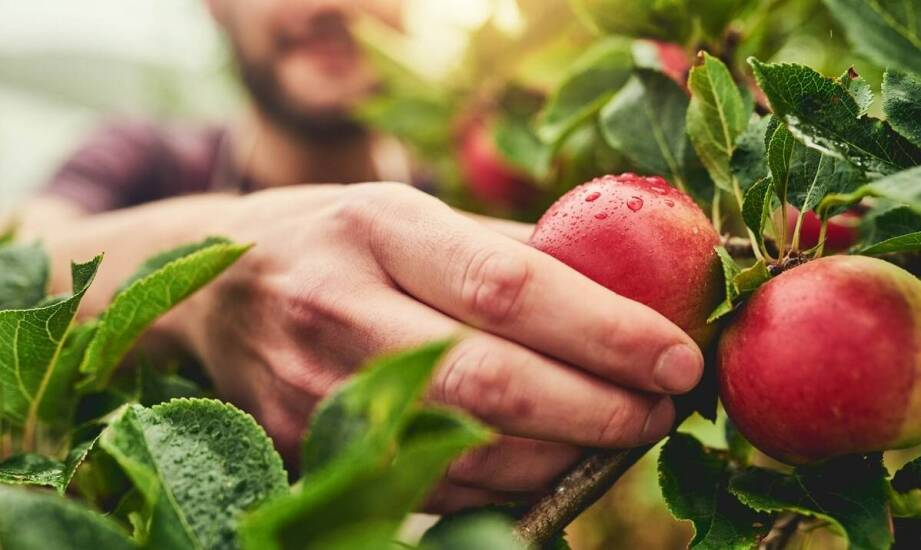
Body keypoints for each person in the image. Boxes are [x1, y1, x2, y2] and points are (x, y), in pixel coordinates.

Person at [10, 0, 703, 512]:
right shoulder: (142, 163)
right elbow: (22, 267)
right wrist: (210, 278)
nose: (330, 4)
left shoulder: (462, 216)